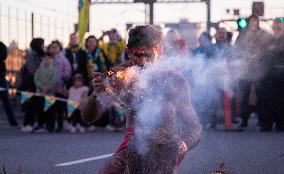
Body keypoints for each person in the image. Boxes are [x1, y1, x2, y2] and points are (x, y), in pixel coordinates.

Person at [81, 25, 201, 173]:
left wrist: (184, 144)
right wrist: (96, 94)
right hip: (135, 142)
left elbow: (195, 128)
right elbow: (89, 117)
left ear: (160, 51)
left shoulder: (175, 80)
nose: (143, 61)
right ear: (130, 53)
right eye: (138, 55)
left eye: (148, 55)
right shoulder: (121, 77)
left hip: (167, 144)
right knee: (112, 169)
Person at [257, 18, 284, 131]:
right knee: (267, 100)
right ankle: (266, 123)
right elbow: (261, 53)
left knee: (281, 100)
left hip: (282, 74)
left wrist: (276, 49)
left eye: (279, 24)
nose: (277, 27)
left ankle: (281, 123)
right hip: (269, 74)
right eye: (275, 25)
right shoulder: (268, 39)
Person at [19, 38, 45, 132]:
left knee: (38, 105)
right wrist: (40, 75)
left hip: (39, 84)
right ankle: (27, 123)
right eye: (42, 44)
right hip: (30, 83)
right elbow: (31, 69)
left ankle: (37, 123)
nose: (43, 46)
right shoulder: (31, 54)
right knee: (29, 104)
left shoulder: (42, 54)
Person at [48, 40, 72, 132]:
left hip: (60, 88)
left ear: (59, 48)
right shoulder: (47, 59)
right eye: (52, 47)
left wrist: (63, 81)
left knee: (59, 108)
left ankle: (60, 125)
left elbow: (67, 71)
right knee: (50, 107)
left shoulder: (63, 59)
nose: (53, 49)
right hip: (50, 89)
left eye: (55, 47)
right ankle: (50, 125)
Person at [33, 53, 57, 133]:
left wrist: (47, 88)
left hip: (50, 94)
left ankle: (50, 126)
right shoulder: (39, 70)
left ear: (51, 60)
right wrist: (40, 87)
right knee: (39, 110)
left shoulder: (53, 70)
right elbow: (36, 79)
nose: (46, 61)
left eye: (48, 59)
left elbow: (53, 80)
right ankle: (40, 124)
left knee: (50, 110)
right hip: (39, 93)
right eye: (45, 59)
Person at [0, 41, 18, 126]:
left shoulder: (1, 46)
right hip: (2, 77)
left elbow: (4, 56)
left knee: (6, 101)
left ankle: (12, 121)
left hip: (1, 77)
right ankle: (13, 121)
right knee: (6, 102)